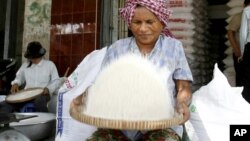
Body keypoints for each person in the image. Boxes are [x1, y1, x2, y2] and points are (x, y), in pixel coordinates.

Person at [70, 0, 193, 140]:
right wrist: (83, 97)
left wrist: (182, 104)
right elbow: (102, 85)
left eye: (149, 22)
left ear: (162, 22)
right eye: (137, 22)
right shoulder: (117, 48)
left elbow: (183, 86)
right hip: (120, 126)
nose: (142, 28)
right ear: (130, 23)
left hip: (161, 126)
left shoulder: (174, 47)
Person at [0, 41, 61, 113]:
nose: (32, 60)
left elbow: (56, 81)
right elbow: (19, 77)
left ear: (41, 55)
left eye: (34, 58)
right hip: (27, 93)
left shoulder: (49, 65)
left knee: (39, 102)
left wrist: (48, 89)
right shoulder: (25, 65)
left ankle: (42, 122)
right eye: (31, 58)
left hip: (42, 94)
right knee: (6, 104)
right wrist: (16, 83)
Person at [227, 10, 244, 86]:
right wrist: (236, 49)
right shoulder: (239, 17)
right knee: (241, 78)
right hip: (241, 53)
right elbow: (230, 33)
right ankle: (241, 96)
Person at [240, 0, 250, 103]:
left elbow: (243, 34)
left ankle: (247, 109)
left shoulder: (247, 10)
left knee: (248, 81)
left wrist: (242, 53)